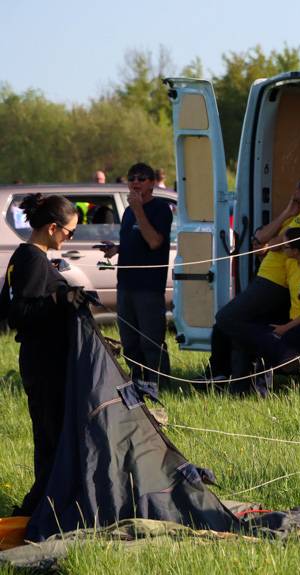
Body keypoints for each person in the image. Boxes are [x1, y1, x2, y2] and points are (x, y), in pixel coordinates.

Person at [1, 193, 86, 515]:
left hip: (41, 360)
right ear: (53, 228)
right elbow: (18, 313)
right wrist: (58, 300)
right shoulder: (33, 259)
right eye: (70, 232)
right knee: (53, 440)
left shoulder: (23, 256)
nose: (69, 238)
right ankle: (39, 508)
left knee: (53, 436)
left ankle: (50, 502)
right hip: (45, 363)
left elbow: (5, 303)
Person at [213, 172, 300, 379]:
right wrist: (286, 213)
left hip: (275, 281)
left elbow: (274, 243)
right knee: (234, 326)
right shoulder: (293, 217)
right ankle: (234, 380)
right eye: (298, 184)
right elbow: (260, 237)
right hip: (265, 275)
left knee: (226, 317)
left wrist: (269, 245)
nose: (297, 188)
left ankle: (283, 353)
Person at [99, 163, 173, 386]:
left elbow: (154, 242)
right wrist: (117, 249)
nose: (135, 182)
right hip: (126, 284)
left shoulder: (160, 209)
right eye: (132, 178)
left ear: (152, 183)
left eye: (141, 178)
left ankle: (159, 384)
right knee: (129, 341)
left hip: (148, 286)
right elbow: (135, 238)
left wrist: (140, 210)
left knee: (150, 340)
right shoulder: (129, 211)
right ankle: (138, 382)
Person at [229, 227, 300, 395]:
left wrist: (285, 328)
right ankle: (243, 387)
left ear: (296, 251)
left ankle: (266, 387)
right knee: (251, 337)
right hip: (292, 323)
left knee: (268, 341)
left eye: (285, 246)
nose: (282, 248)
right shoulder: (289, 264)